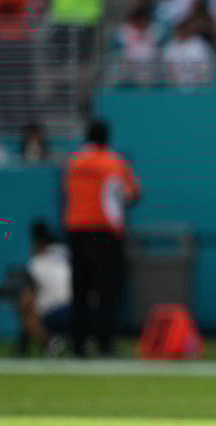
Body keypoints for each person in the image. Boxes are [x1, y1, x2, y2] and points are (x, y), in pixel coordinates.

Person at [65, 119, 141, 358]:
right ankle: (104, 343)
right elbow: (132, 195)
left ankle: (78, 344)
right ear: (107, 137)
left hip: (76, 230)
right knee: (108, 290)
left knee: (79, 290)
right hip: (104, 232)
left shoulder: (74, 163)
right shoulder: (114, 163)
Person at [17, 220, 72, 357]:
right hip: (85, 311)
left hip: (57, 315)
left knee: (25, 307)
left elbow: (26, 301)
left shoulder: (35, 264)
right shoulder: (67, 253)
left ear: (37, 242)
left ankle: (49, 344)